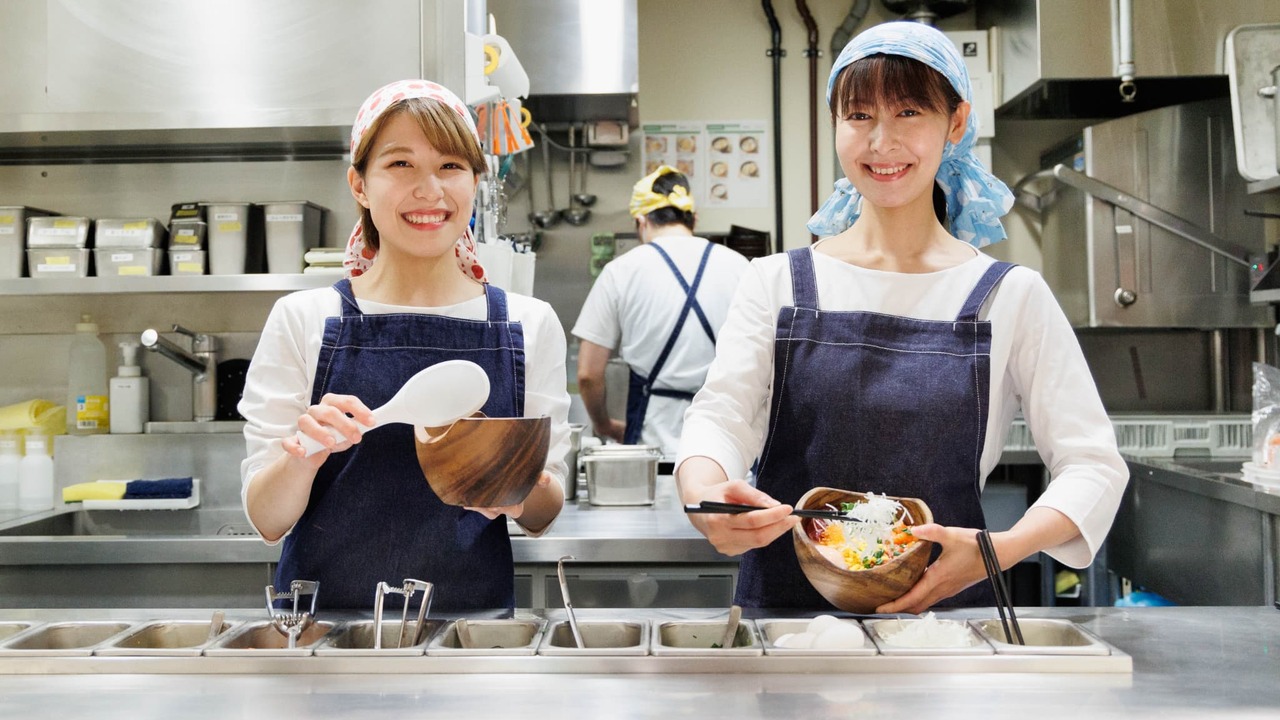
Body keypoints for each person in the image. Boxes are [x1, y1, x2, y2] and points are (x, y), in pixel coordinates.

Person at [675, 22, 1128, 613]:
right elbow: (723, 416)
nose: (881, 142)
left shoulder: (1009, 295)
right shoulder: (777, 282)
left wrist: (1002, 549)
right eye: (858, 115)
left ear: (956, 123)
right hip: (790, 626)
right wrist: (706, 495)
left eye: (909, 112)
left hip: (943, 619)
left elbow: (1091, 462)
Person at [239, 80, 570, 611]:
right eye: (400, 165)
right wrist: (305, 457)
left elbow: (543, 513)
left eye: (450, 166)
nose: (429, 191)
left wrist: (507, 478)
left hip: (474, 636)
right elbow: (266, 519)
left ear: (475, 181)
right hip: (323, 637)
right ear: (359, 184)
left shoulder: (529, 324)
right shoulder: (304, 318)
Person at [572, 166, 749, 457]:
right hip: (725, 447)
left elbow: (588, 375)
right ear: (693, 218)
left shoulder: (621, 271)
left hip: (650, 450)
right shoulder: (740, 266)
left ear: (641, 221)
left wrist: (603, 424)